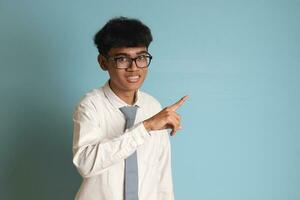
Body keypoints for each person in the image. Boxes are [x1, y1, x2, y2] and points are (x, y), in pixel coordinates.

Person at [72, 16, 188, 200]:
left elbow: (162, 176)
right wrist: (145, 127)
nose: (134, 68)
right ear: (103, 62)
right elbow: (86, 164)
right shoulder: (90, 105)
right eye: (122, 59)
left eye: (141, 57)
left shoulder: (153, 107)